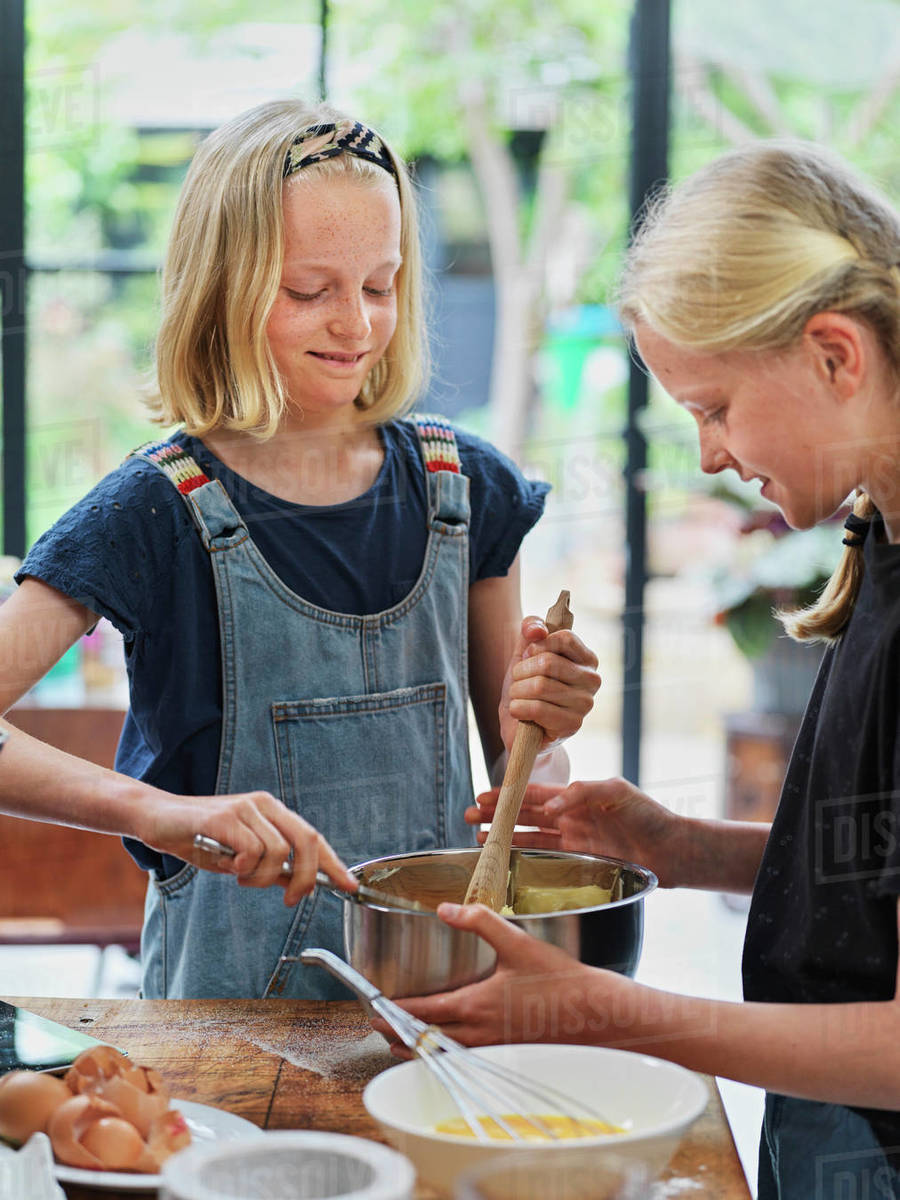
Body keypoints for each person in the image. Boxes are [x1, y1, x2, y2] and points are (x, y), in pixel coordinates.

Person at [377, 141, 900, 1197]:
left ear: (834, 355)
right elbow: (871, 870)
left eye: (714, 407)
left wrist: (596, 1010)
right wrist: (676, 844)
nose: (709, 453)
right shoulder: (882, 541)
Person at [1, 99, 600, 1001]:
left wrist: (544, 734)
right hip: (225, 1038)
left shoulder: (463, 488)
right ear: (220, 291)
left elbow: (519, 801)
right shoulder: (153, 510)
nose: (356, 326)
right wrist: (156, 813)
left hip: (438, 1013)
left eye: (381, 285)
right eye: (309, 291)